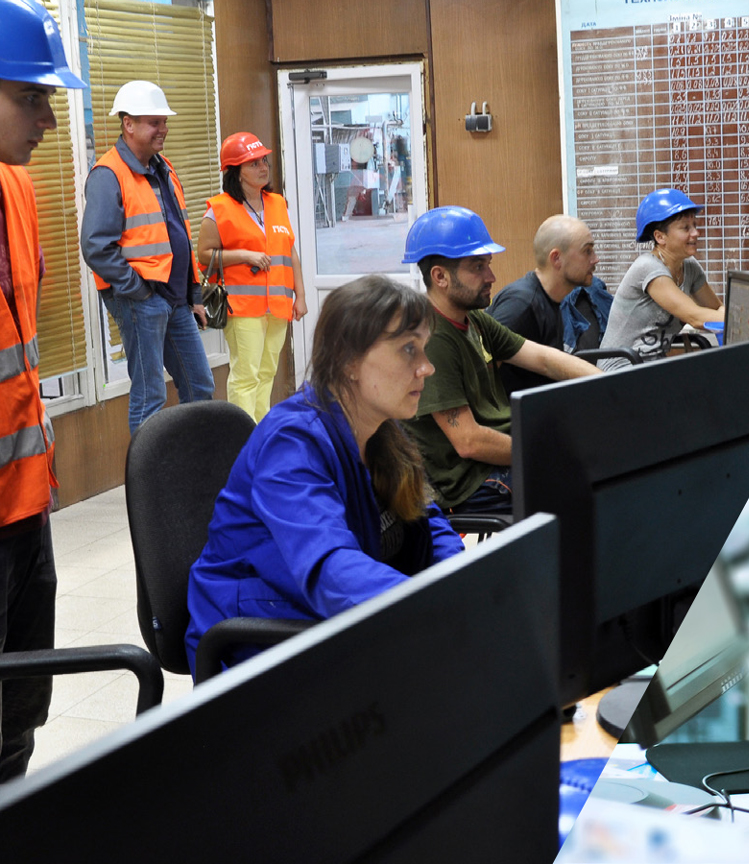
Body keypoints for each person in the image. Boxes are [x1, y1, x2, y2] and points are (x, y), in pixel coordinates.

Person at [185, 276, 463, 679]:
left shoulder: (380, 427)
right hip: (259, 646)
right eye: (408, 349)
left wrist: (461, 581)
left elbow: (427, 518)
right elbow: (330, 569)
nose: (427, 367)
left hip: (324, 624)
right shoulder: (292, 443)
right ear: (349, 360)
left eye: (423, 348)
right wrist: (439, 607)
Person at [0, 0, 85, 783]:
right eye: (33, 97)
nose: (49, 120)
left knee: (20, 702)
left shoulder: (19, 189)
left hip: (24, 499)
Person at [402, 206, 601, 514]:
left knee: (595, 449)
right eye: (477, 267)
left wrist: (608, 385)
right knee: (588, 478)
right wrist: (545, 453)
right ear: (440, 276)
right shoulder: (432, 340)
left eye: (488, 264)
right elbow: (468, 442)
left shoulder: (475, 321)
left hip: (497, 454)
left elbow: (545, 359)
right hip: (471, 479)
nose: (491, 276)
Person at [82, 79, 213, 435]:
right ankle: (147, 486)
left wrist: (193, 296)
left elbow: (179, 235)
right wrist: (138, 290)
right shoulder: (108, 175)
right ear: (129, 124)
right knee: (150, 396)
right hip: (141, 300)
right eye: (155, 122)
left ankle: (191, 468)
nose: (163, 129)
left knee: (200, 387)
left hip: (175, 300)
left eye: (164, 122)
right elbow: (95, 246)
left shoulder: (163, 167)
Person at [198, 132, 307, 421]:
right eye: (253, 163)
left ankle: (261, 435)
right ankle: (243, 440)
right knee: (246, 375)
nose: (263, 167)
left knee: (267, 373)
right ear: (236, 172)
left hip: (279, 305)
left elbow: (290, 252)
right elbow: (204, 255)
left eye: (264, 161)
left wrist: (301, 296)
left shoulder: (277, 203)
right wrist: (245, 255)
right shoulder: (219, 209)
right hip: (243, 306)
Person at [597, 188, 723, 369]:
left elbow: (716, 308)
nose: (695, 233)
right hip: (621, 370)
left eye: (694, 225)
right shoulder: (648, 267)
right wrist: (746, 321)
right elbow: (696, 317)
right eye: (685, 228)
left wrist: (746, 319)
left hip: (651, 367)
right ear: (660, 236)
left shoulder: (690, 266)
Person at [488, 214, 613, 393]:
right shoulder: (521, 305)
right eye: (587, 251)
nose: (595, 259)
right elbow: (481, 378)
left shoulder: (556, 300)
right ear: (556, 258)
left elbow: (549, 363)